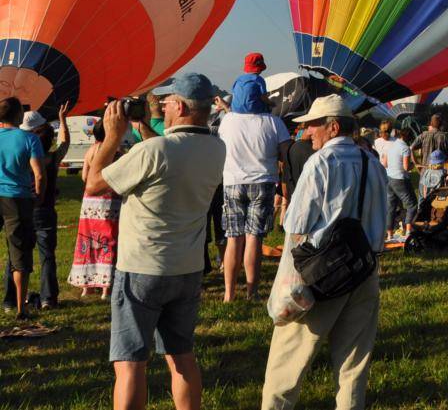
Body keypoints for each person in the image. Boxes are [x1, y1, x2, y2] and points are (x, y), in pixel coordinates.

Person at [85, 75, 226, 410]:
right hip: (187, 267)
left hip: (142, 267)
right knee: (181, 356)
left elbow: (93, 184)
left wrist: (113, 137)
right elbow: (168, 151)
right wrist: (142, 126)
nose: (163, 107)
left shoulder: (153, 151)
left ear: (180, 107)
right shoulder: (216, 148)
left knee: (130, 362)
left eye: (167, 102)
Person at [261, 95, 390, 410]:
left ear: (333, 127)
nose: (307, 133)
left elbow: (296, 225)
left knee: (285, 366)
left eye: (313, 125)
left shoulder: (321, 163)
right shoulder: (372, 163)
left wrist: (288, 284)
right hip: (364, 271)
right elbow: (382, 220)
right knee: (353, 367)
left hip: (322, 276)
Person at [218, 90, 289, 301]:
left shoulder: (228, 120)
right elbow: (285, 152)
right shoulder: (274, 122)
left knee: (233, 238)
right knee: (254, 237)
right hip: (262, 181)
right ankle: (252, 292)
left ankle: (229, 294)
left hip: (232, 181)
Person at [0, 97, 47, 320]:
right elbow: (39, 174)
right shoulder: (30, 139)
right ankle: (21, 308)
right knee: (20, 253)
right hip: (18, 199)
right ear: (19, 115)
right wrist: (39, 195)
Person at [70, 118, 122, 298]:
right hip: (110, 199)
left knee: (88, 239)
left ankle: (87, 285)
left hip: (90, 201)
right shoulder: (116, 152)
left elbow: (85, 177)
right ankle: (106, 286)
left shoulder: (91, 151)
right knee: (109, 239)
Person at [375, 125, 415, 237]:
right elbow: (406, 167)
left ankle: (389, 234)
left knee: (391, 207)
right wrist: (413, 165)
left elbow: (385, 163)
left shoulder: (392, 145)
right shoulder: (405, 148)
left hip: (389, 178)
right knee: (412, 205)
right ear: (409, 138)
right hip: (400, 179)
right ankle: (408, 231)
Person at [411, 114, 448, 199]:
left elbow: (411, 148)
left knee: (423, 200)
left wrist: (417, 164)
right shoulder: (446, 137)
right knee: (439, 201)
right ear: (441, 124)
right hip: (440, 174)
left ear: (431, 123)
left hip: (425, 173)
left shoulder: (423, 135)